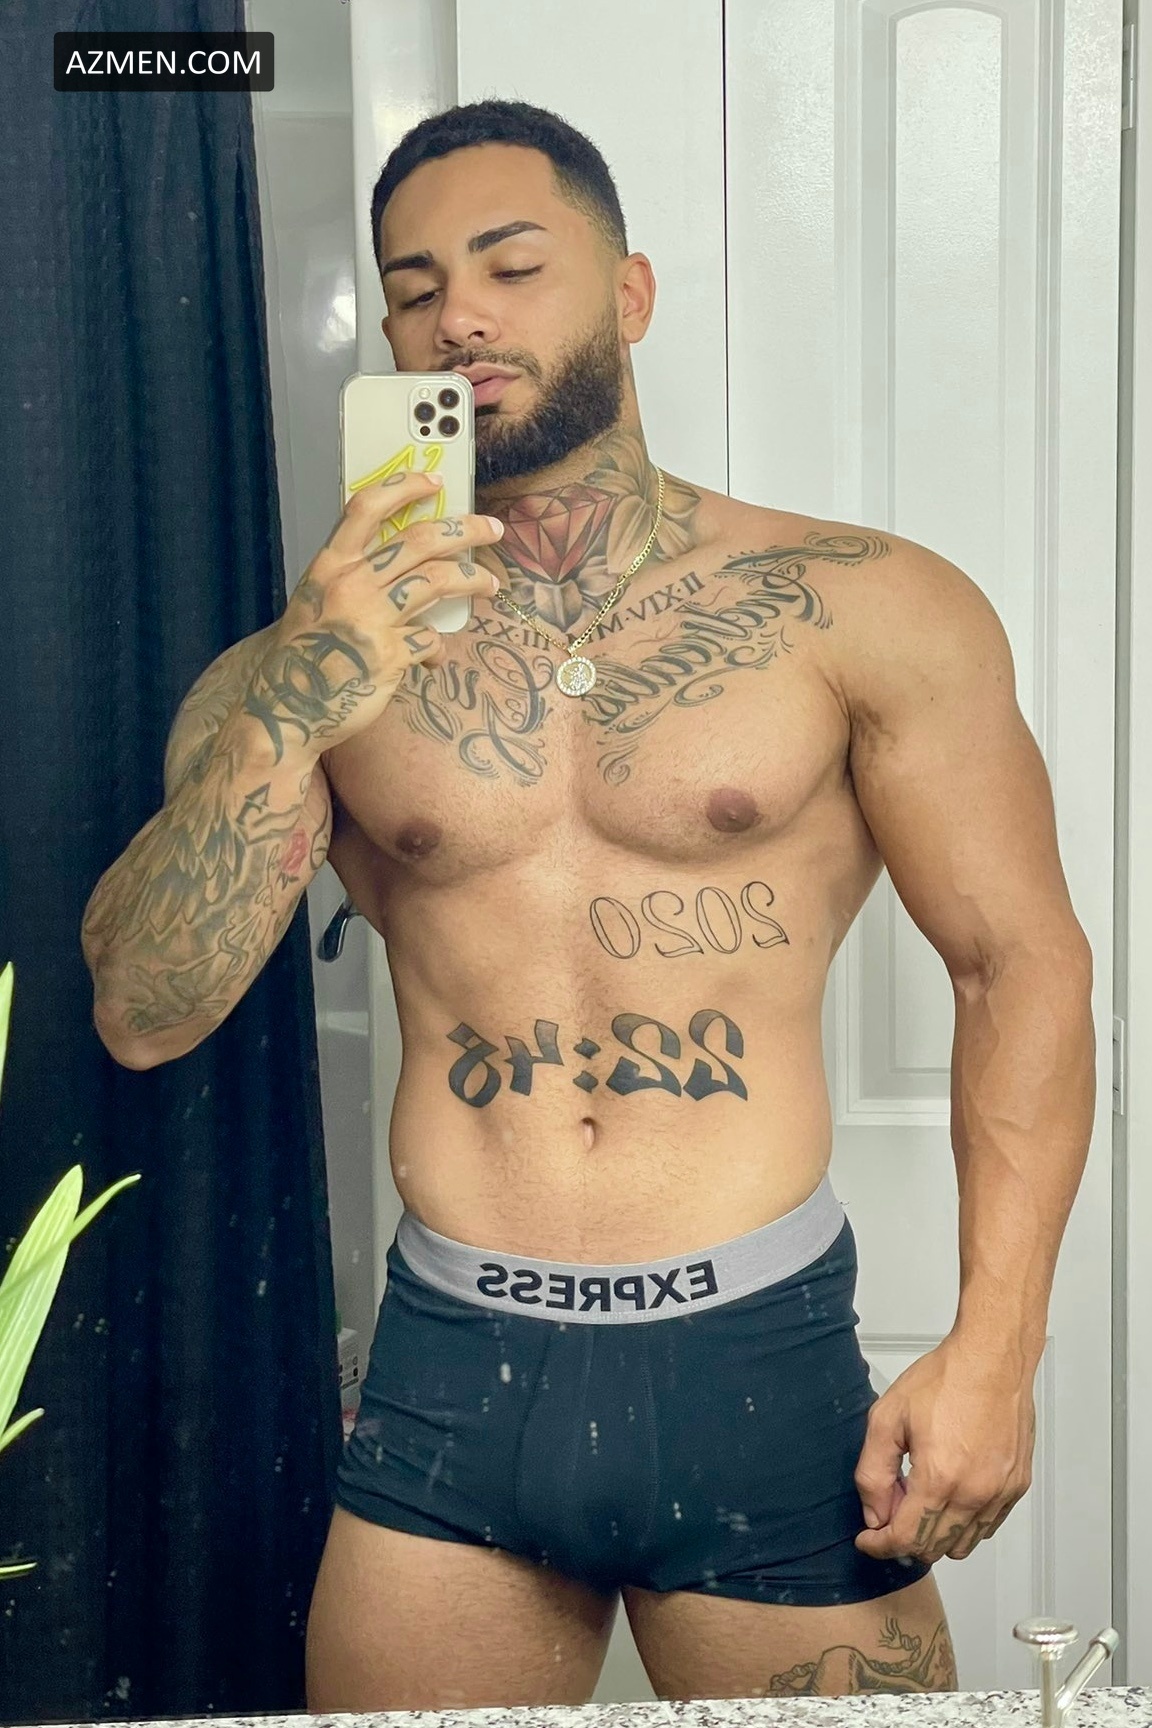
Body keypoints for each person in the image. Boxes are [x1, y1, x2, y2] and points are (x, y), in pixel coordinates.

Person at [81, 98, 1096, 1711]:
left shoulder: (863, 606)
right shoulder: (301, 669)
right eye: (415, 288)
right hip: (449, 1383)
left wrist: (999, 1349)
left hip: (758, 1364)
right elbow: (144, 1013)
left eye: (510, 265)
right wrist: (301, 697)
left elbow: (1018, 966)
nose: (458, 317)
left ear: (629, 293)